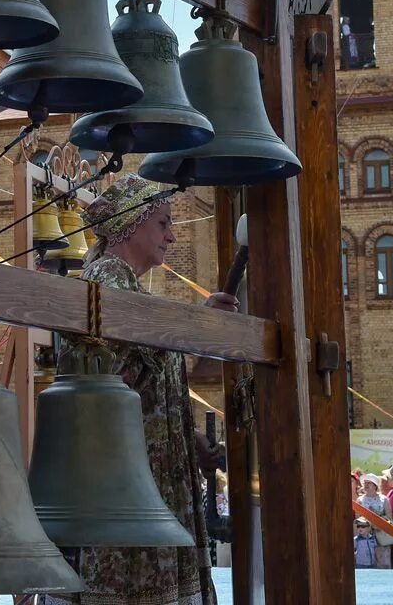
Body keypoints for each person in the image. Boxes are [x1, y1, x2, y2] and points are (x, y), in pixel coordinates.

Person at [41, 174, 233, 605]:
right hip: (124, 490)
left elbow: (136, 385)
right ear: (130, 223)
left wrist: (189, 438)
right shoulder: (107, 280)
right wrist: (197, 324)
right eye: (163, 222)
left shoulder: (125, 286)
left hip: (141, 481)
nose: (171, 234)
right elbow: (116, 377)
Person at [356, 474, 393, 568]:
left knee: (382, 563)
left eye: (369, 483)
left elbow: (389, 517)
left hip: (381, 535)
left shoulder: (384, 499)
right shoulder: (360, 500)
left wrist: (378, 520)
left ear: (375, 485)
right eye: (365, 483)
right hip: (365, 537)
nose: (366, 485)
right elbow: (357, 519)